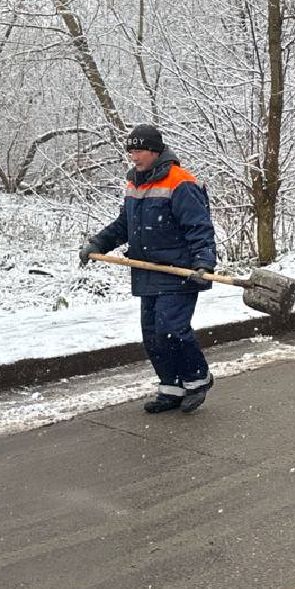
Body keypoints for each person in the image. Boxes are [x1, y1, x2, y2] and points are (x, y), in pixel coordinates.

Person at [80, 124, 218, 414]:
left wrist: (204, 262)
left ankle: (197, 379)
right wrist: (98, 244)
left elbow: (199, 227)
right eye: (130, 151)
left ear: (155, 151)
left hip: (178, 272)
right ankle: (171, 387)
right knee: (153, 334)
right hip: (147, 271)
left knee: (172, 330)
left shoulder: (181, 182)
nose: (133, 156)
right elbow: (124, 225)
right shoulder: (135, 183)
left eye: (139, 150)